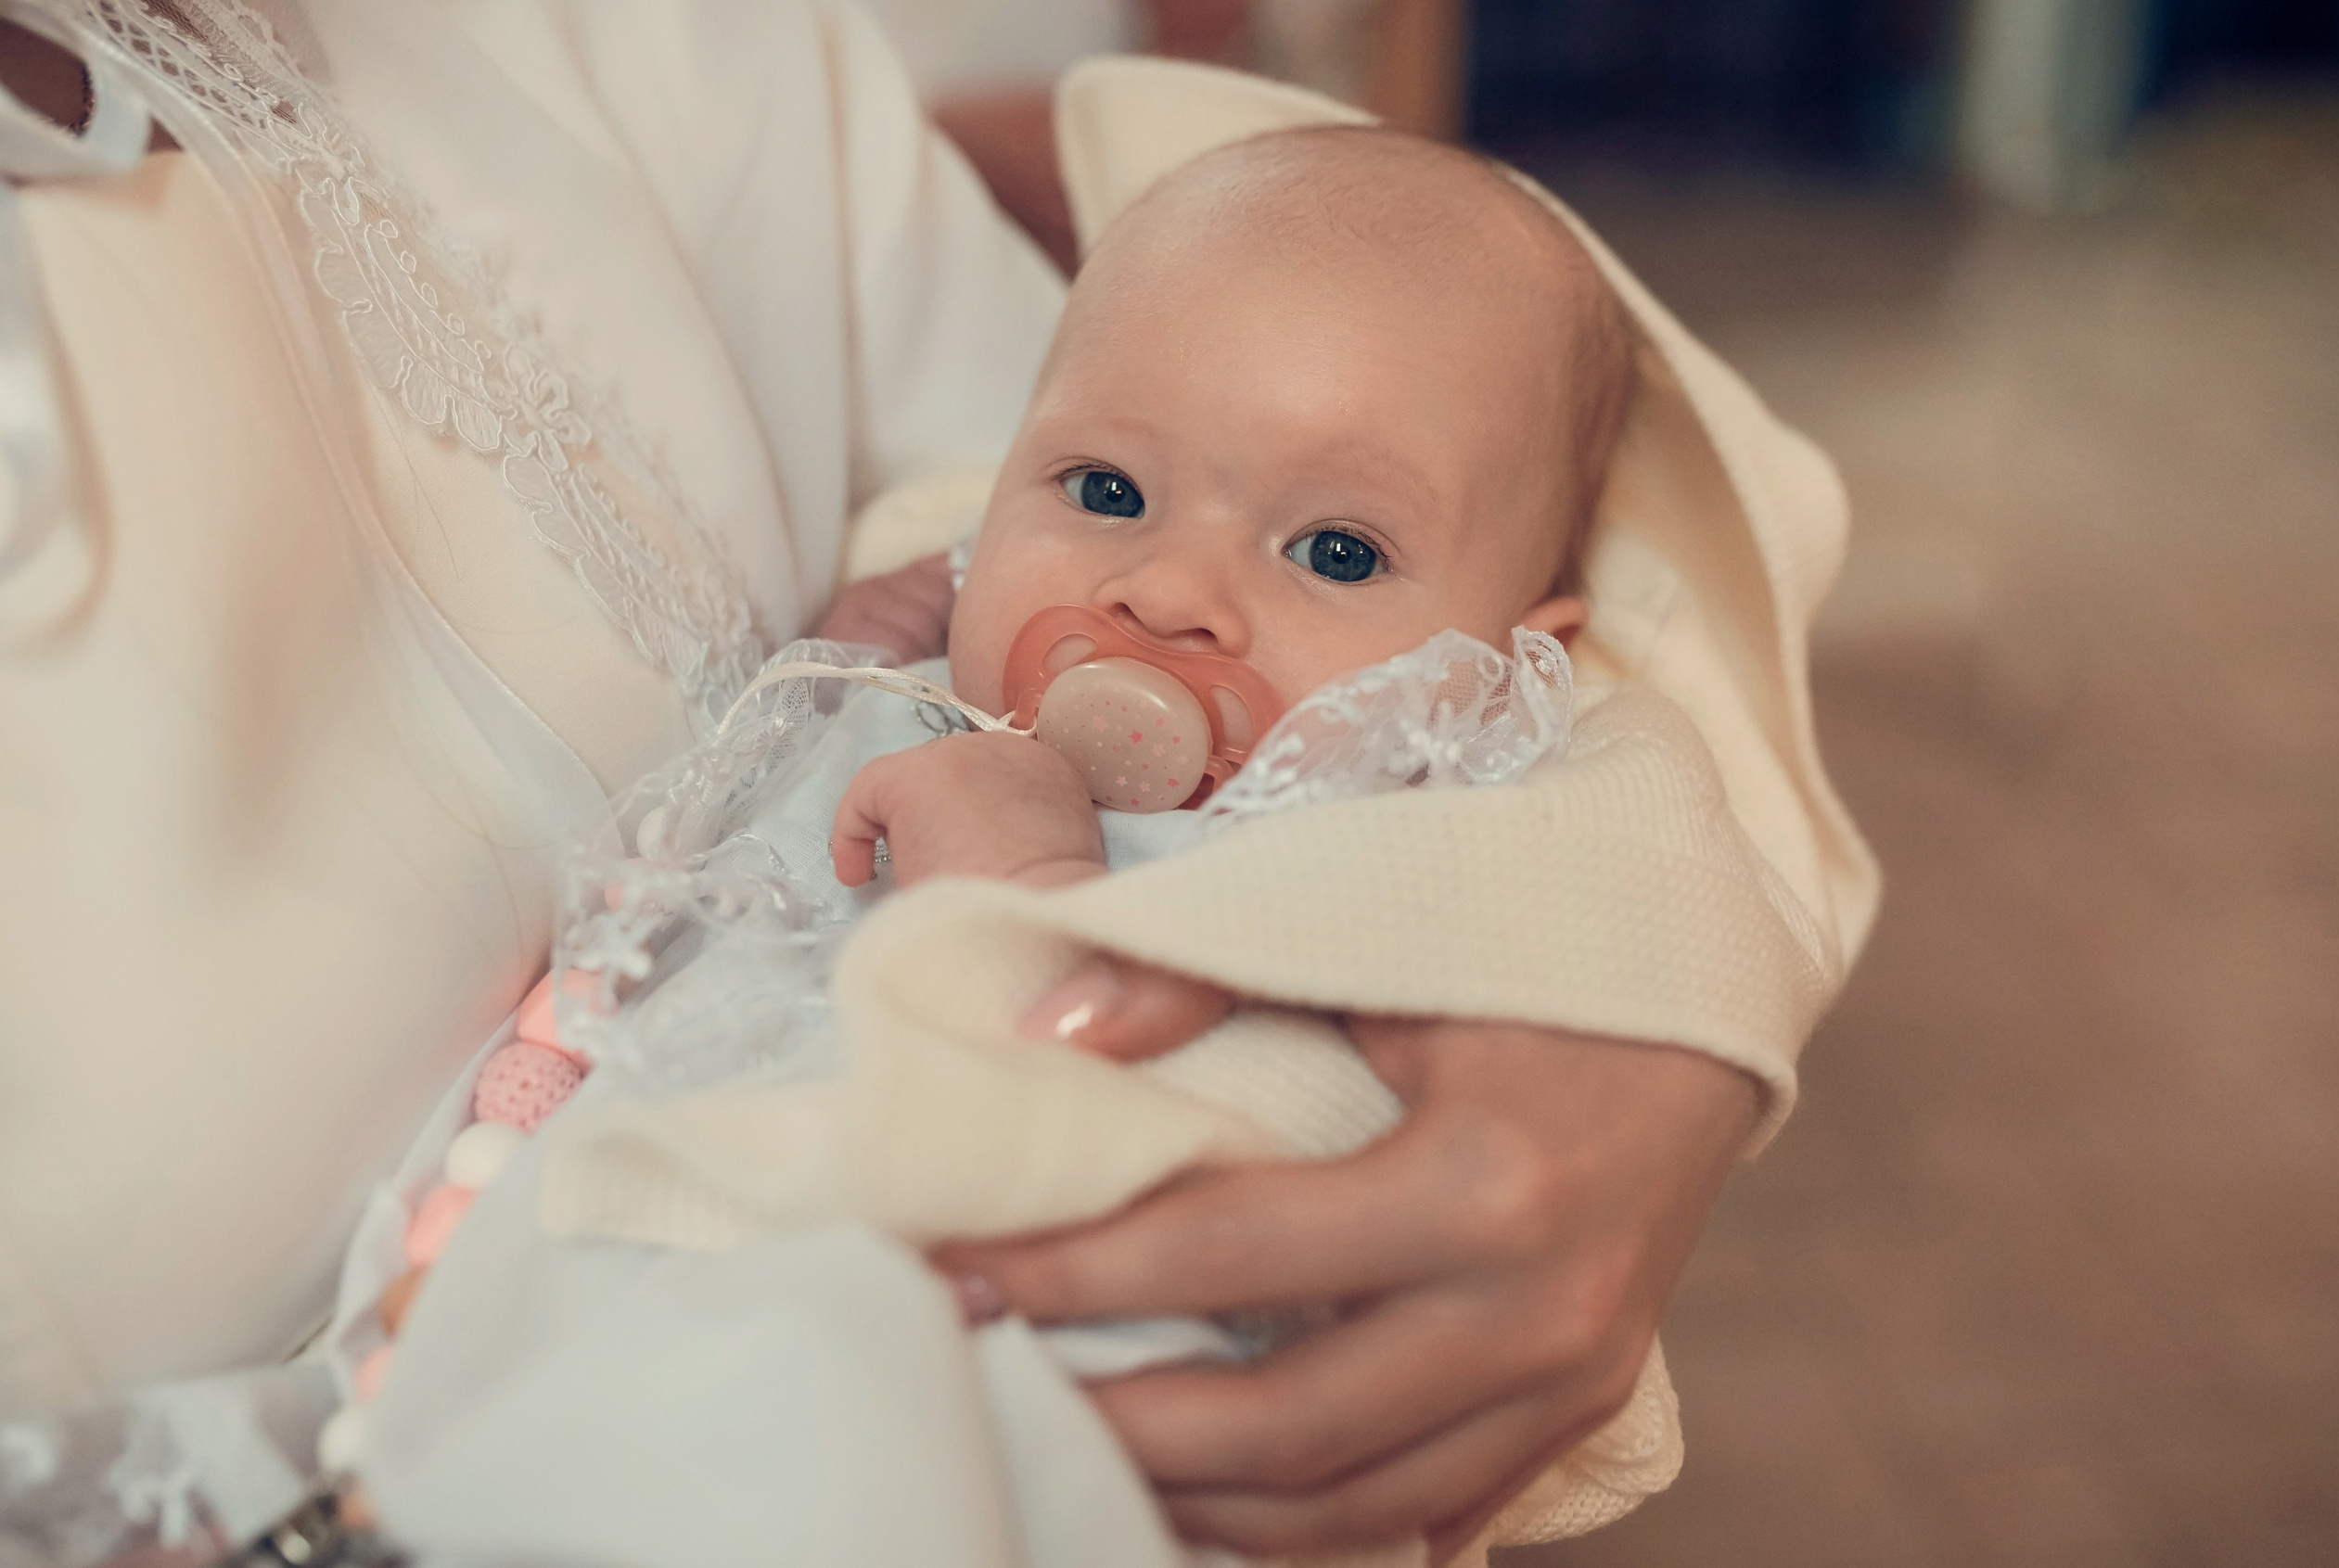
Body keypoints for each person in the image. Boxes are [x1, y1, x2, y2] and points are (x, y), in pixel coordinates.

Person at [0, 9, 1873, 1564]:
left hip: (938, 1353)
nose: (1166, 592)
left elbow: (1185, 1074)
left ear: (1515, 661)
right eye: (1109, 498)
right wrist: (871, 663)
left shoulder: (1383, 800)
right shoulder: (935, 672)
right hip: (457, 1330)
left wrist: (1624, 966)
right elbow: (985, 495)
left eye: (1333, 551)